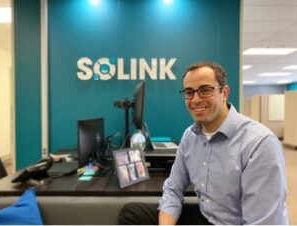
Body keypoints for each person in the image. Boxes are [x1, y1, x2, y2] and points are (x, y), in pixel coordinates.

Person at [118, 61, 288, 225]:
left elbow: (262, 222)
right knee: (132, 213)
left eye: (205, 90)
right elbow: (173, 190)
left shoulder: (260, 143)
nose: (195, 100)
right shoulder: (190, 136)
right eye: (189, 92)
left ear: (224, 93)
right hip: (206, 217)